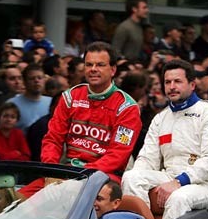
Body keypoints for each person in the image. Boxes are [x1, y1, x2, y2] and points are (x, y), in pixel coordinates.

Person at [122, 59, 208, 219]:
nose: (172, 86)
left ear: (192, 85)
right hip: (169, 177)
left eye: (178, 81)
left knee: (178, 197)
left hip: (206, 185)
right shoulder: (160, 118)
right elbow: (146, 159)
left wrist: (179, 182)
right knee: (131, 177)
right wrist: (144, 176)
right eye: (167, 82)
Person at [41, 42, 141, 181]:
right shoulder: (70, 97)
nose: (93, 69)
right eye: (89, 65)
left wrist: (83, 173)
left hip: (104, 177)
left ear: (113, 70)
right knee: (19, 199)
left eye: (100, 65)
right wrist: (50, 171)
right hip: (66, 172)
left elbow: (118, 154)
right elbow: (53, 139)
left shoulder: (127, 107)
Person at [7, 64, 51, 131]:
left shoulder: (52, 103)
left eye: (40, 78)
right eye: (32, 78)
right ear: (24, 82)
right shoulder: (12, 104)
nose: (36, 81)